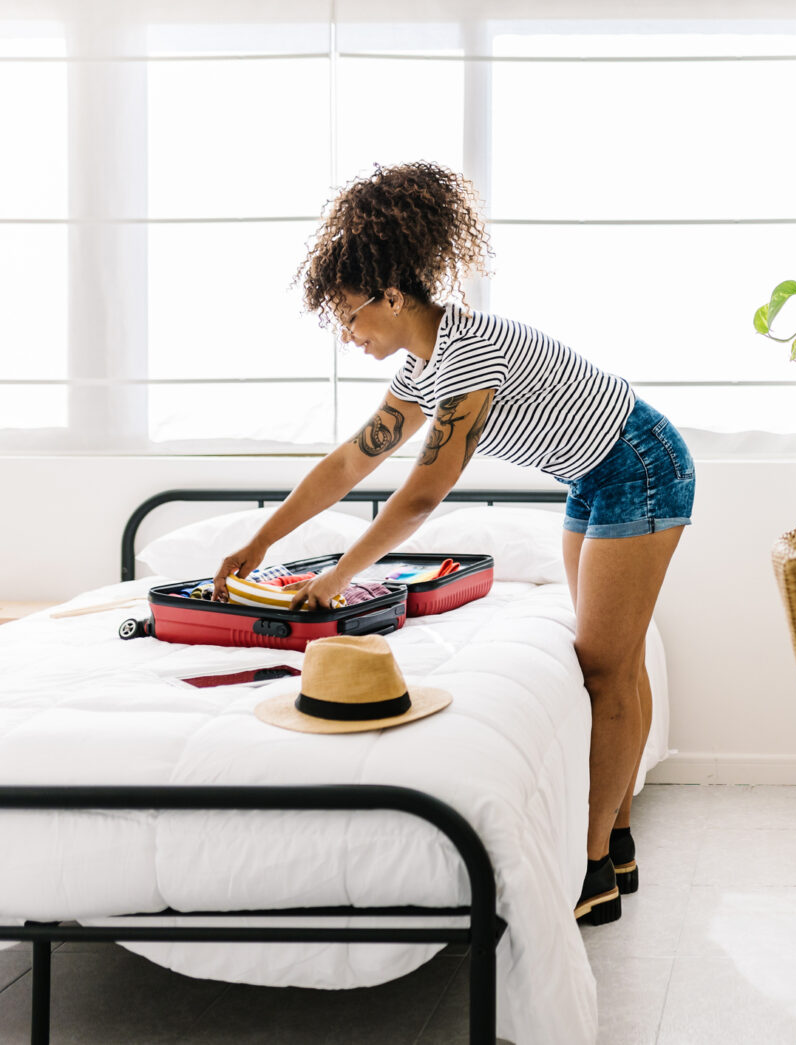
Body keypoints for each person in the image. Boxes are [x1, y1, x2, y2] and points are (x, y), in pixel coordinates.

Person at [211, 161, 692, 926]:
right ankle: (619, 841)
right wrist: (258, 542)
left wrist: (335, 578)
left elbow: (422, 495)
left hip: (638, 463)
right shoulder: (422, 366)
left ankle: (593, 866)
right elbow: (349, 462)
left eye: (353, 314)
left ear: (394, 296)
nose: (349, 333)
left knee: (604, 665)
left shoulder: (466, 358)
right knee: (615, 660)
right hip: (596, 476)